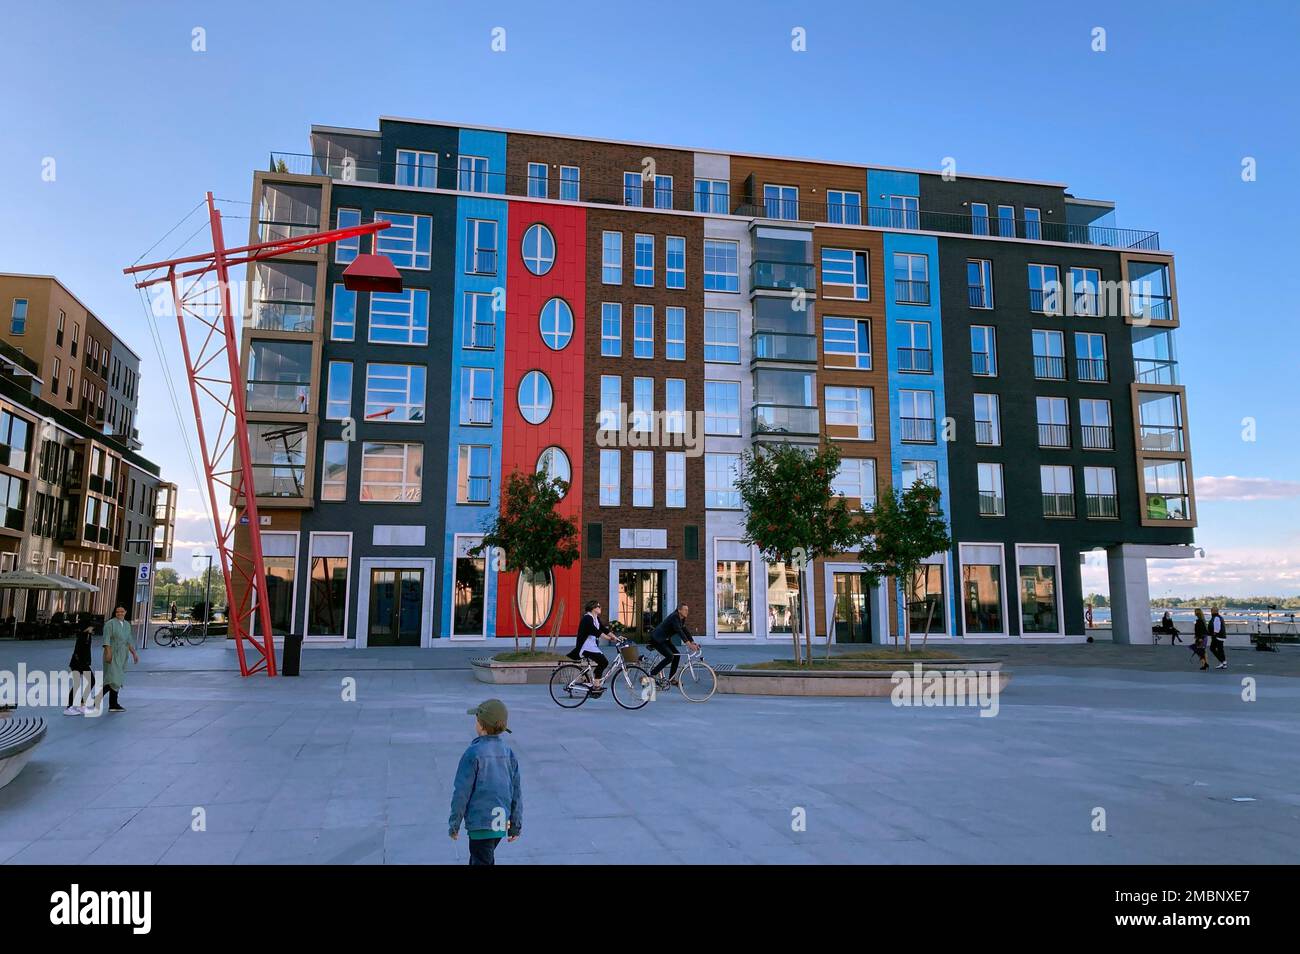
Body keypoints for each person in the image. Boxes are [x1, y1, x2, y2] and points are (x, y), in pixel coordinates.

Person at [449, 699, 522, 866]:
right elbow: (516, 791)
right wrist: (515, 825)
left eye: (476, 719)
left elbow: (461, 792)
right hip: (500, 823)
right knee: (481, 857)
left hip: (480, 823)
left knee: (481, 858)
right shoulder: (508, 753)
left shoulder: (472, 753)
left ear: (481, 725)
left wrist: (454, 824)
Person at [567, 600, 618, 689]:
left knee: (603, 662)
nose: (600, 608)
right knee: (603, 662)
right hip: (585, 647)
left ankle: (594, 680)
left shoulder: (596, 618)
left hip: (591, 646)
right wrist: (609, 638)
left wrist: (616, 637)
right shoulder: (587, 618)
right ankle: (596, 684)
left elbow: (603, 629)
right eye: (598, 606)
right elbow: (595, 631)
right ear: (593, 608)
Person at [648, 603, 700, 687]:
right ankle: (652, 674)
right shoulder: (674, 617)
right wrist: (689, 645)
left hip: (665, 639)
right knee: (670, 656)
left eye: (687, 610)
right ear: (679, 610)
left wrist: (692, 641)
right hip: (657, 639)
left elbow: (684, 630)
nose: (687, 612)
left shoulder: (682, 618)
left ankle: (672, 679)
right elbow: (679, 631)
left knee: (677, 655)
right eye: (685, 610)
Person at [97, 606, 138, 712]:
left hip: (123, 654)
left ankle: (113, 704)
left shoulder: (127, 625)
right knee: (112, 679)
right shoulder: (110, 624)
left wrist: (134, 653)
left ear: (125, 612)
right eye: (117, 611)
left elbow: (128, 640)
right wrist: (108, 653)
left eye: (122, 611)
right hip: (112, 653)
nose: (119, 613)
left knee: (117, 679)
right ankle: (97, 699)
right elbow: (106, 640)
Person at [63, 625, 96, 715]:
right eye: (91, 627)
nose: (92, 629)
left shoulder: (88, 636)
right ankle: (69, 707)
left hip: (81, 663)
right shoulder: (83, 636)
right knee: (82, 683)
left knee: (89, 682)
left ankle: (81, 705)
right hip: (78, 664)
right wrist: (82, 665)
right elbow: (77, 651)